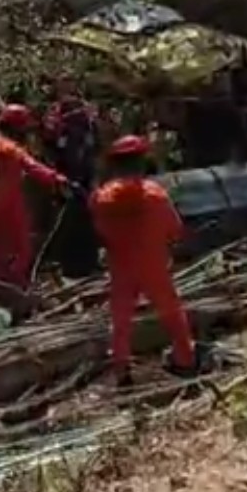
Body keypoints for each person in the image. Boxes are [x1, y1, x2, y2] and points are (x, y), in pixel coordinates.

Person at [89, 134, 198, 387]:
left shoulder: (101, 198)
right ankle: (185, 359)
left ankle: (121, 369)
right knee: (172, 312)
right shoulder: (155, 195)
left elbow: (100, 230)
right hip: (153, 264)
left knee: (121, 319)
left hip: (121, 265)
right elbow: (175, 229)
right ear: (141, 162)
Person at [0, 105, 71, 288]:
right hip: (8, 206)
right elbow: (32, 167)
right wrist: (57, 179)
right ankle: (15, 292)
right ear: (17, 128)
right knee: (21, 252)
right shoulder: (11, 149)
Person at [41, 76, 105, 278]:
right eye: (63, 82)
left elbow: (97, 143)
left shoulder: (87, 113)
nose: (67, 86)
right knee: (68, 220)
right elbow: (48, 144)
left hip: (85, 175)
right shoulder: (54, 115)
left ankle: (88, 263)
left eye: (70, 81)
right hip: (65, 176)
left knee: (87, 218)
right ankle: (71, 265)